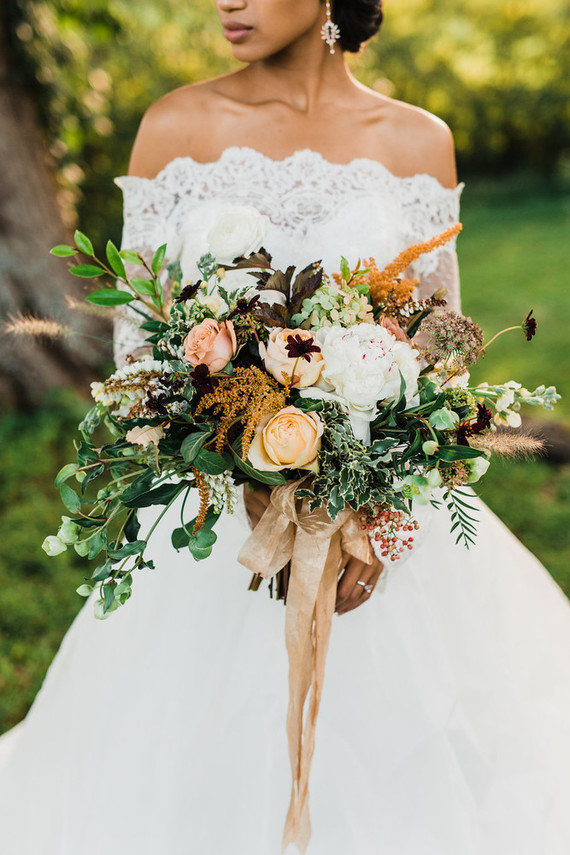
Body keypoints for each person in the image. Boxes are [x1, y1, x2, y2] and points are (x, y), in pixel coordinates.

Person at [1, 1, 569, 853]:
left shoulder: (417, 141)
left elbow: (436, 360)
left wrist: (369, 513)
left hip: (377, 533)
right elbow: (140, 358)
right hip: (214, 529)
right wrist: (247, 472)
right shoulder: (176, 127)